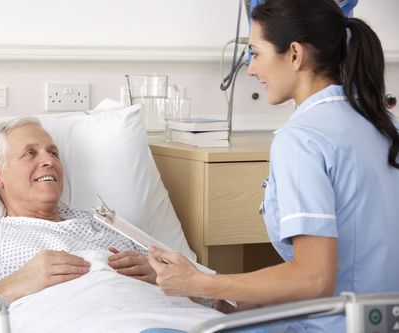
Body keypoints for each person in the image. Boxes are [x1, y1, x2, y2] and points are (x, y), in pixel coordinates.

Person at [148, 0, 399, 332]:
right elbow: (359, 266)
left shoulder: (302, 140)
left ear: (295, 54)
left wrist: (199, 283)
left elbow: (315, 279)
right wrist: (265, 298)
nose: (251, 69)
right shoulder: (387, 124)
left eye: (256, 53)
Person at [0, 118, 161, 332]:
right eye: (30, 153)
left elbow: (197, 290)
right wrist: (20, 282)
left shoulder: (105, 224)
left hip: (166, 317)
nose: (49, 161)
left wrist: (162, 276)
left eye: (53, 153)